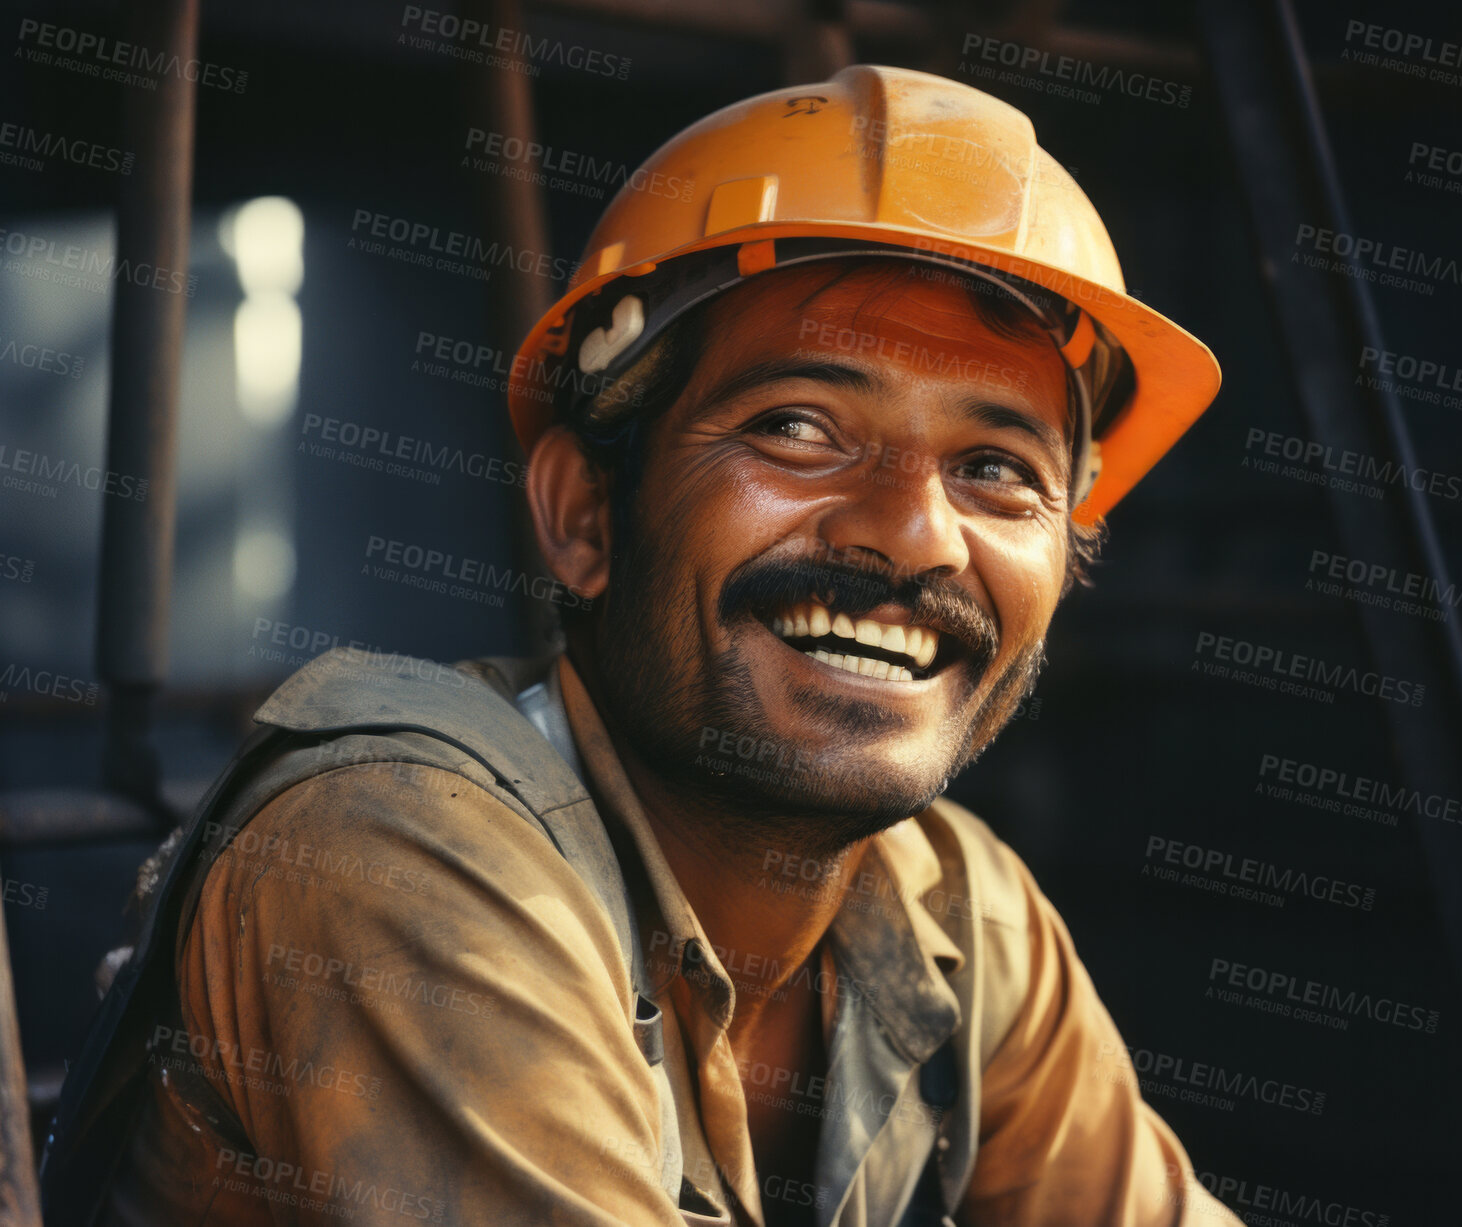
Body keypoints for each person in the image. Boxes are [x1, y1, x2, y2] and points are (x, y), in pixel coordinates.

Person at [46, 65, 1236, 1226]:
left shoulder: (955, 911)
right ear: (584, 516)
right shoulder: (391, 848)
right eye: (798, 428)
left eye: (995, 471)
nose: (915, 536)